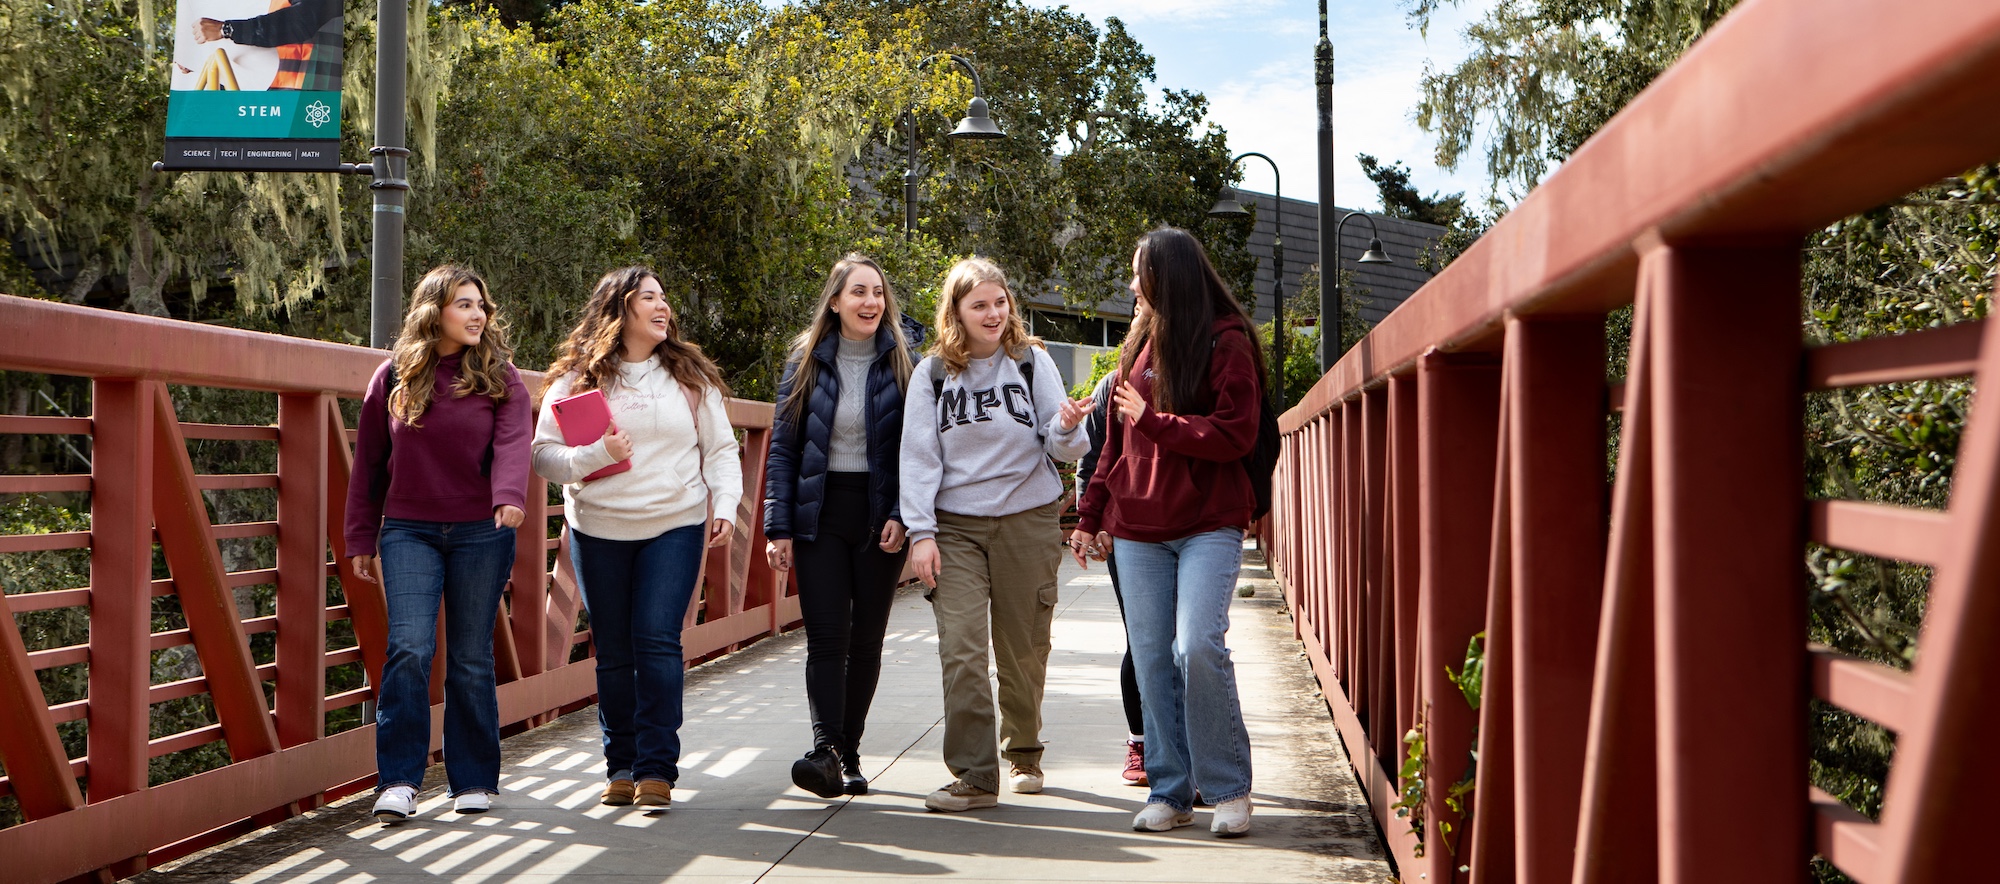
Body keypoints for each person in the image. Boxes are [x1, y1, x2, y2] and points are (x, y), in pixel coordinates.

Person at [1073, 227, 1263, 837]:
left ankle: (1228, 786)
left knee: (1197, 647)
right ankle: (1170, 790)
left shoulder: (1227, 342)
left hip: (1208, 522)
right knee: (1152, 657)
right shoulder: (1138, 345)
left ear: (1168, 279)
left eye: (1139, 275)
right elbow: (1113, 446)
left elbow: (1237, 433)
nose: (1132, 287)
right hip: (1138, 528)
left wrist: (1157, 423)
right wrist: (1089, 516)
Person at [532, 267, 742, 810]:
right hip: (598, 528)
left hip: (674, 522)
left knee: (655, 636)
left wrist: (725, 504)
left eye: (664, 297)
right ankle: (619, 765)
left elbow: (720, 450)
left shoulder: (690, 378)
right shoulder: (578, 380)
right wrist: (599, 455)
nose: (663, 306)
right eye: (649, 297)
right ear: (620, 309)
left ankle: (656, 769)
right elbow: (543, 456)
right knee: (614, 648)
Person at [900, 256, 1091, 813]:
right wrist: (921, 533)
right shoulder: (932, 374)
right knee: (960, 647)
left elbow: (1059, 446)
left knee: (1023, 645)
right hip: (955, 526)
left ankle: (1024, 752)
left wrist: (1068, 428)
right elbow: (918, 458)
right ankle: (975, 775)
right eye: (978, 304)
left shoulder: (1032, 362)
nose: (992, 313)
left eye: (999, 302)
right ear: (956, 312)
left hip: (1026, 519)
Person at [344, 264, 532, 823]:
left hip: (483, 529)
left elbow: (514, 440)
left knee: (471, 657)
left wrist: (508, 495)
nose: (478, 314)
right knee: (408, 647)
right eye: (465, 304)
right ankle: (399, 780)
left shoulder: (502, 376)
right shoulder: (394, 377)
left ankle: (472, 779)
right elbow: (369, 465)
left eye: (481, 305)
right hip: (408, 530)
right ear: (435, 312)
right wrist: (359, 535)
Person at [764, 253, 918, 799]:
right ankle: (826, 750)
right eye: (858, 292)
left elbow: (915, 450)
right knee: (828, 637)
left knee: (867, 639)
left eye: (877, 292)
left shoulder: (905, 361)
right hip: (820, 511)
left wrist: (903, 513)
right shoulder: (805, 360)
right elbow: (782, 448)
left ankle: (849, 753)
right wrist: (776, 526)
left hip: (879, 514)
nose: (870, 301)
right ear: (835, 301)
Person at [1073, 298, 1149, 787]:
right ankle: (1140, 742)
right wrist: (1092, 521)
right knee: (1139, 639)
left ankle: (1186, 746)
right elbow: (1090, 462)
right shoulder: (1110, 387)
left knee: (1187, 644)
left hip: (1185, 527)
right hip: (1125, 534)